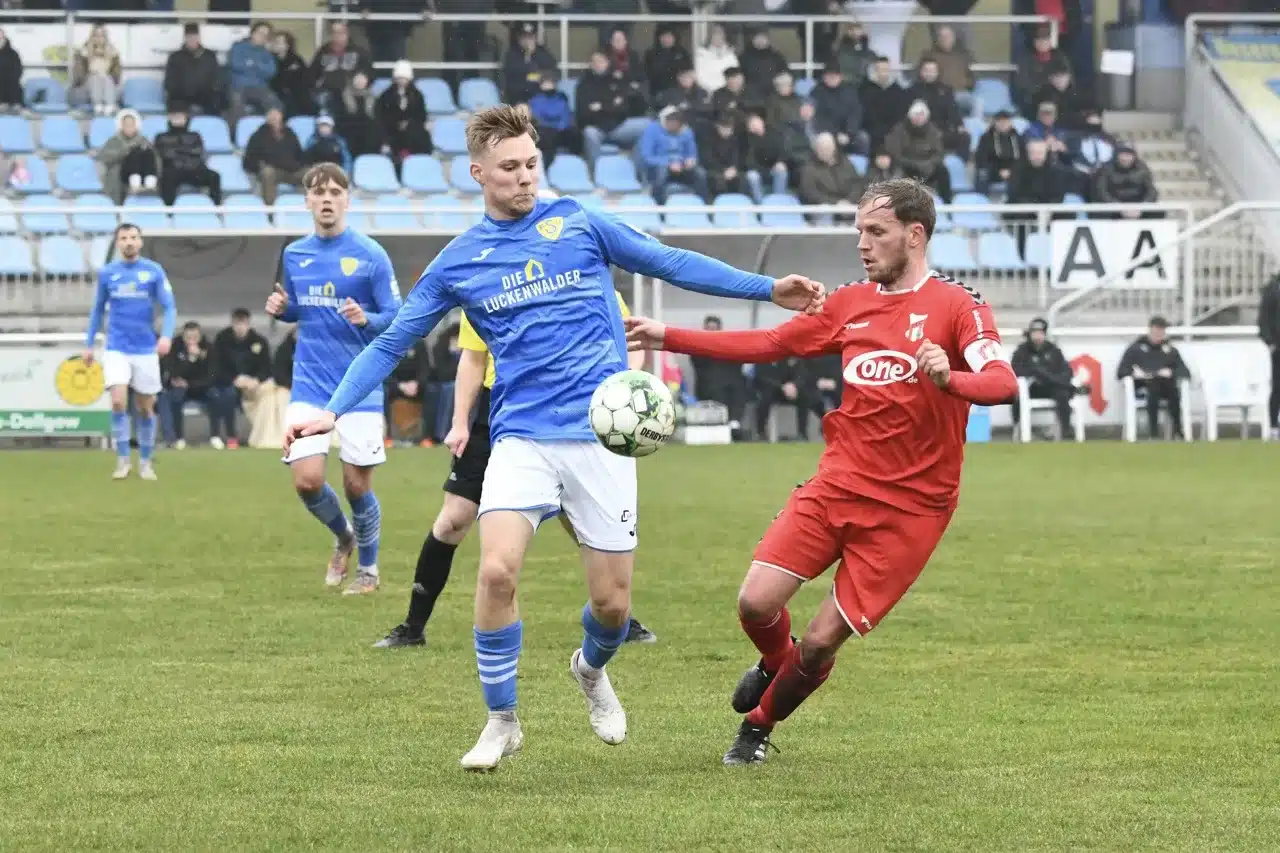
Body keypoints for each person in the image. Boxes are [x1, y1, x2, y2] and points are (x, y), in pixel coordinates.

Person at [284, 105, 824, 772]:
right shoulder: (460, 261)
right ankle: (501, 719)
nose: (525, 177)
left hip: (599, 439)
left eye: (532, 163)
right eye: (509, 168)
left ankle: (590, 670)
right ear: (479, 174)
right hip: (521, 437)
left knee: (611, 605)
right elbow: (394, 340)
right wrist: (332, 411)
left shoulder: (580, 223)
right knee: (496, 568)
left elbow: (669, 260)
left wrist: (767, 288)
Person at [625, 178, 1018, 765]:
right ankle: (773, 664)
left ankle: (758, 728)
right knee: (756, 603)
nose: (862, 244)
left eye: (876, 232)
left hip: (913, 510)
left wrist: (949, 378)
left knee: (819, 641)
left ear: (915, 235)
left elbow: (1002, 383)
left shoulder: (961, 307)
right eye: (859, 230)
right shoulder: (850, 303)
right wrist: (667, 336)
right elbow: (770, 342)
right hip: (839, 483)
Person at [375, 291, 658, 650]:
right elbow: (473, 361)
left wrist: (625, 383)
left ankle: (617, 616)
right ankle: (412, 627)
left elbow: (630, 339)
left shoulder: (588, 279)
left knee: (583, 522)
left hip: (573, 409)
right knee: (453, 520)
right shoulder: (487, 282)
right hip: (500, 408)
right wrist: (460, 423)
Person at [264, 163, 402, 595]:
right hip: (310, 383)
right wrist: (283, 309)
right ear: (306, 201)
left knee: (356, 484)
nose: (327, 198)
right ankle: (344, 535)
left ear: (347, 199)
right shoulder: (294, 255)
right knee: (306, 480)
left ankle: (370, 570)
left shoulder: (370, 254)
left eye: (335, 191)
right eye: (318, 192)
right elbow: (301, 310)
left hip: (359, 385)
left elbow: (396, 317)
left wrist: (367, 319)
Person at [84, 224, 178, 482]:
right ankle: (123, 460)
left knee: (146, 408)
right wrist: (89, 343)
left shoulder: (153, 271)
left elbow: (169, 307)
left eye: (133, 237)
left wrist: (167, 336)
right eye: (124, 238)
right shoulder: (108, 273)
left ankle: (146, 462)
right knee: (117, 401)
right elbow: (97, 311)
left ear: (141, 242)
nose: (129, 242)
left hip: (145, 348)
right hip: (117, 347)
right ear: (117, 243)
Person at [1116, 317, 1190, 440]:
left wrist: (1171, 372)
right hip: (1144, 386)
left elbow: (1184, 371)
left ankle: (1178, 431)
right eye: (1156, 331)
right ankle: (1153, 432)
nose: (1159, 334)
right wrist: (1135, 373)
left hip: (1165, 386)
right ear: (1150, 330)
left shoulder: (1170, 350)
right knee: (1153, 387)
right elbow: (1121, 371)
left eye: (1162, 331)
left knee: (1173, 391)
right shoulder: (1136, 349)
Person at [1010, 317, 1078, 438]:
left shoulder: (1053, 350)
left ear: (1045, 334)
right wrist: (1034, 372)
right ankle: (1073, 389)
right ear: (1030, 334)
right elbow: (1014, 371)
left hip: (1051, 388)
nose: (1037, 336)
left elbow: (1067, 371)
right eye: (1034, 333)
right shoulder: (1022, 351)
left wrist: (1045, 375)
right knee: (1038, 375)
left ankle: (1066, 430)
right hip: (1031, 389)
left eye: (1040, 333)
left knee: (1062, 393)